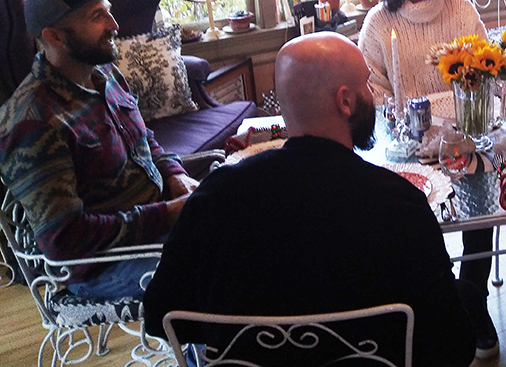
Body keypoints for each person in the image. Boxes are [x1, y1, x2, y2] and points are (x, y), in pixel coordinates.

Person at [143, 32, 477, 367]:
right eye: (366, 84)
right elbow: (453, 348)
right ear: (345, 101)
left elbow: (161, 315)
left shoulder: (216, 195)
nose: (373, 93)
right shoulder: (401, 204)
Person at [0, 0, 197, 299]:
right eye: (97, 16)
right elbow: (64, 240)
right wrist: (168, 214)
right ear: (55, 36)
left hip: (157, 228)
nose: (113, 24)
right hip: (102, 265)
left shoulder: (105, 74)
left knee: (248, 221)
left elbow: (143, 138)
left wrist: (174, 174)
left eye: (108, 10)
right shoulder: (33, 120)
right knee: (213, 270)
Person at [358, 0, 499, 358]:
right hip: (408, 140)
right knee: (414, 220)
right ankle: (439, 302)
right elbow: (372, 87)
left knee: (481, 212)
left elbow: (485, 68)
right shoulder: (380, 22)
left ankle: (474, 301)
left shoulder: (462, 10)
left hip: (463, 134)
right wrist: (406, 120)